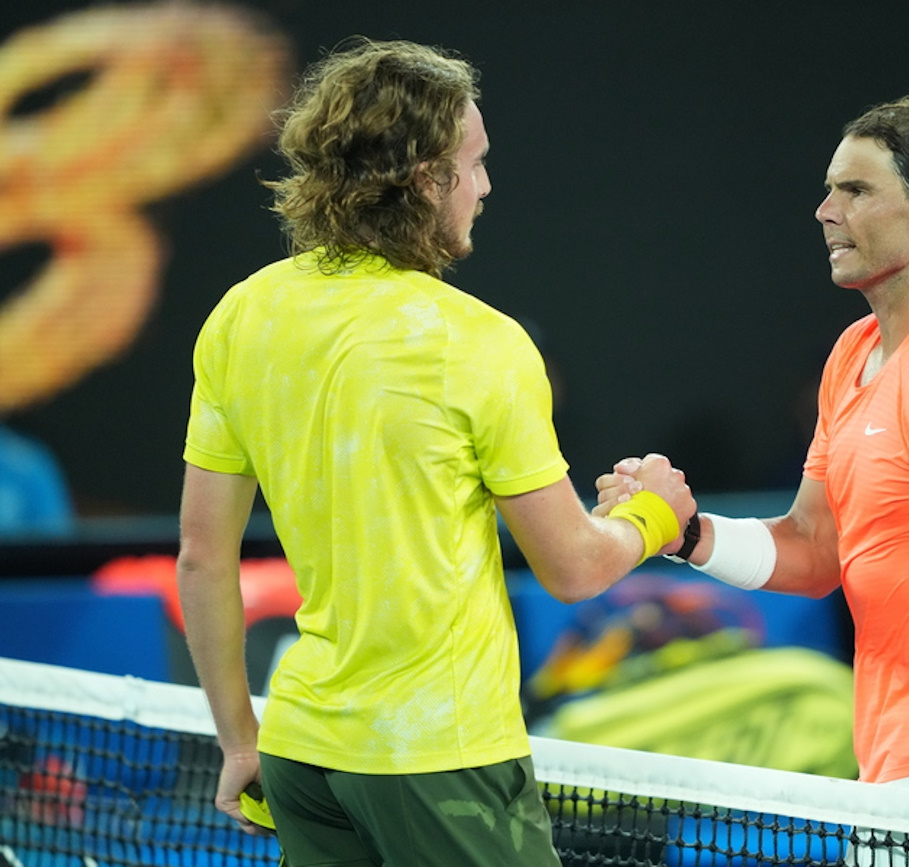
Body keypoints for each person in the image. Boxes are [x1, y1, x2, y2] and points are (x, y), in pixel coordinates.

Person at [175, 38, 694, 867]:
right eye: (475, 164)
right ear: (424, 178)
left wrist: (241, 739)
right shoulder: (481, 344)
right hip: (441, 761)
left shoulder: (244, 314)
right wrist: (654, 512)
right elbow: (573, 568)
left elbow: (203, 556)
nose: (486, 187)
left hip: (303, 757)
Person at [597, 95, 909, 819]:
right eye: (831, 189)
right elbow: (816, 548)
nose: (825, 211)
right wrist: (690, 534)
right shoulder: (853, 356)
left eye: (856, 190)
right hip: (897, 772)